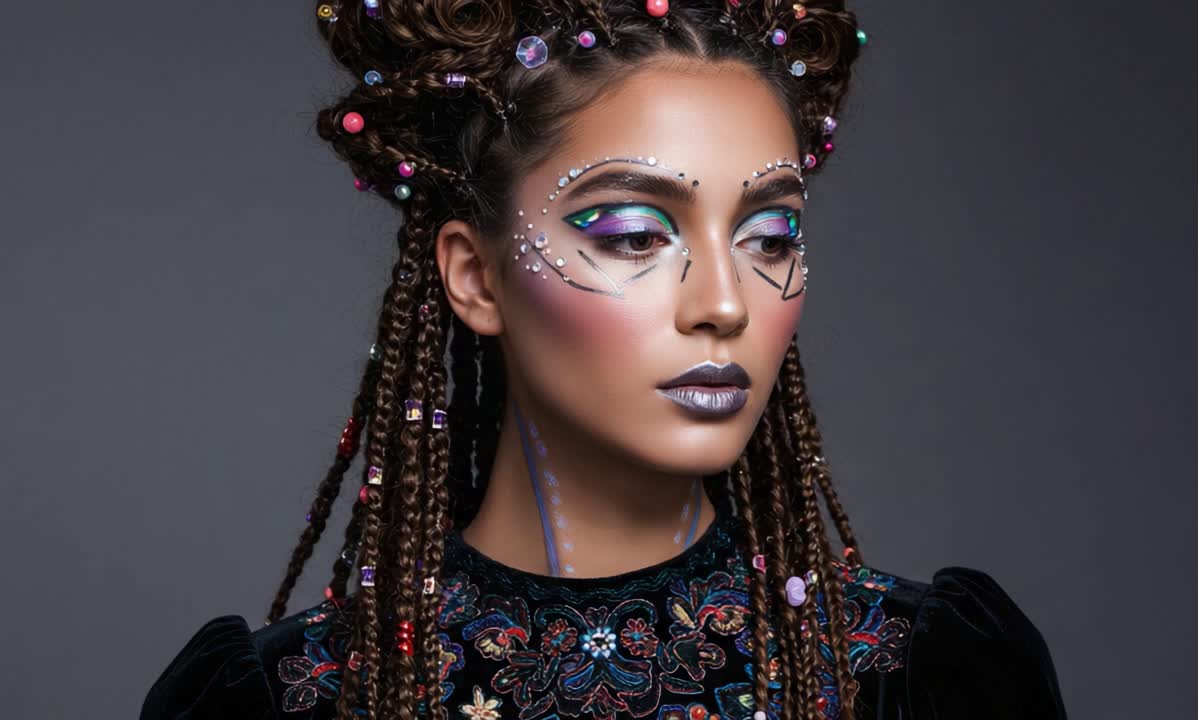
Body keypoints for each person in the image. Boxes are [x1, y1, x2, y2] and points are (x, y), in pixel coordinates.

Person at [141, 1, 1068, 718]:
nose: (723, 302)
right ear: (475, 276)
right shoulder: (290, 698)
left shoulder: (920, 676)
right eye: (634, 234)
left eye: (771, 234)